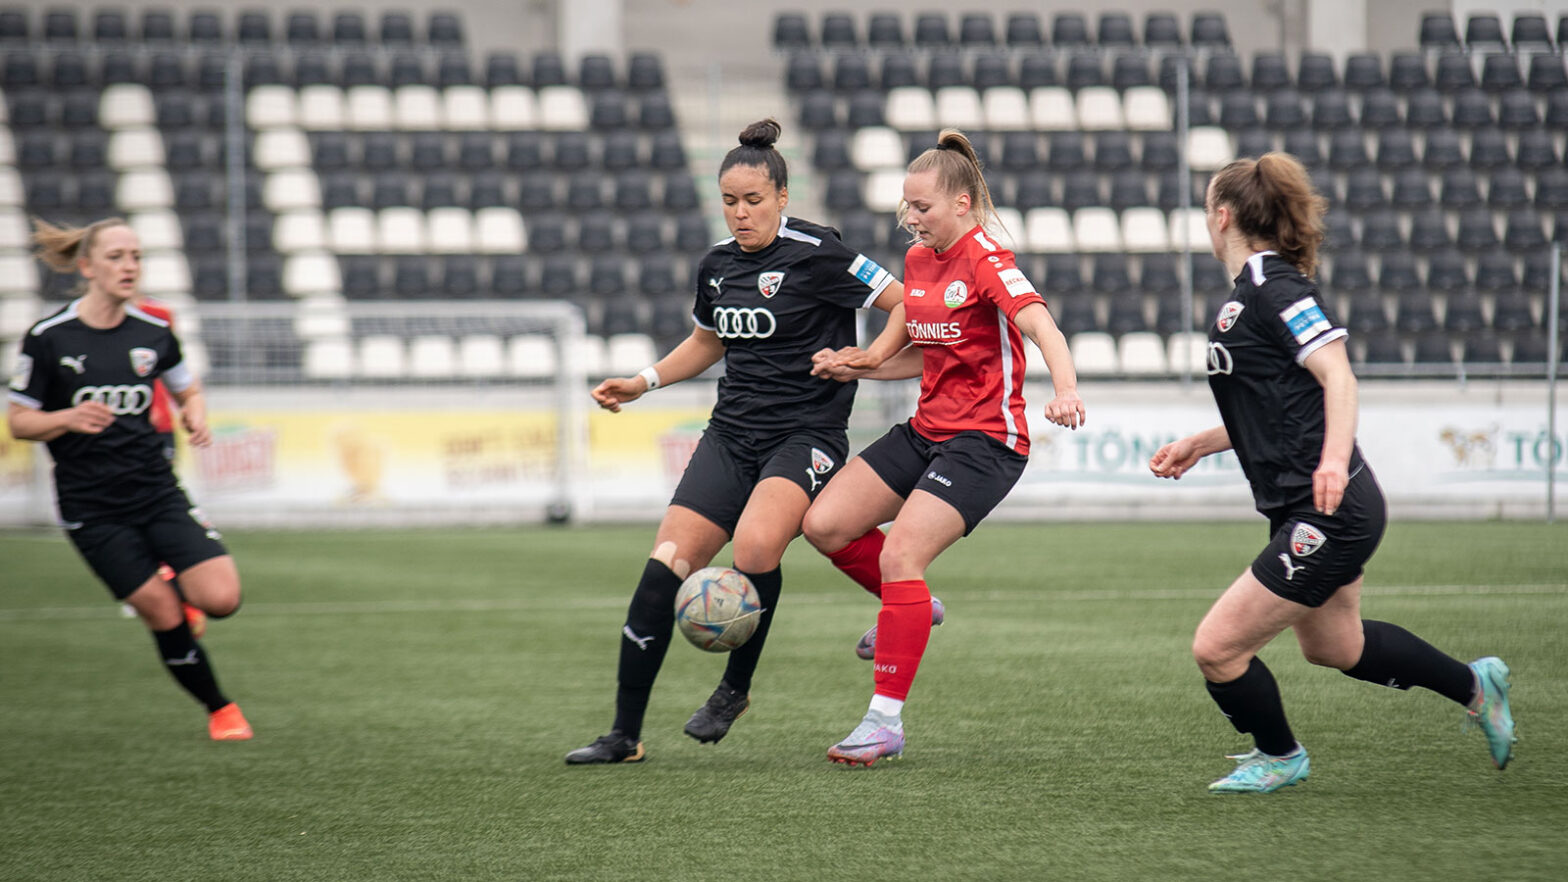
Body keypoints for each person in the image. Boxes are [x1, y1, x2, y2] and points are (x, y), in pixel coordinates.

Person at [1148, 153, 1515, 793]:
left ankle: (1281, 755)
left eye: (1207, 206)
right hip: (1308, 506)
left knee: (1218, 648)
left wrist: (1332, 461)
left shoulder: (1277, 288)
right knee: (1336, 647)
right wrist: (1204, 443)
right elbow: (1277, 403)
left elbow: (1338, 375)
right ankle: (1474, 685)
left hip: (1331, 507)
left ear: (1223, 215)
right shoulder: (1250, 294)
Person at [565, 119, 905, 764]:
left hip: (807, 435)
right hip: (730, 435)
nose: (741, 213)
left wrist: (866, 357)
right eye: (730, 200)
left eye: (754, 200)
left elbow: (905, 301)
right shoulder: (717, 265)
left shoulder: (821, 251)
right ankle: (622, 735)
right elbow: (707, 341)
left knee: (754, 545)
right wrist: (644, 381)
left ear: (782, 196)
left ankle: (734, 688)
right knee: (664, 566)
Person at [803, 129, 1085, 766]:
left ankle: (884, 723)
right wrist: (861, 364)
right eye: (906, 206)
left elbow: (1043, 326)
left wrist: (1064, 388)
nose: (911, 217)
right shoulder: (918, 261)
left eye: (922, 207)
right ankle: (912, 607)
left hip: (987, 442)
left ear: (961, 204)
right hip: (928, 430)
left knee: (901, 552)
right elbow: (923, 351)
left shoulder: (988, 259)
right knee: (824, 524)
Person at [7, 217, 252, 741]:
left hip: (156, 491)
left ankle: (176, 583)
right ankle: (220, 709)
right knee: (162, 613)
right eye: (117, 256)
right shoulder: (49, 338)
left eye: (136, 256)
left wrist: (197, 413)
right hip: (91, 506)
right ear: (87, 266)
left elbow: (188, 388)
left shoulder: (153, 333)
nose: (130, 267)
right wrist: (66, 419)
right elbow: (19, 421)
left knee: (222, 599)